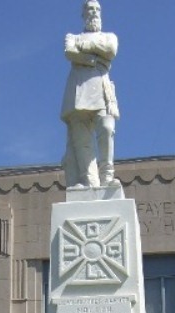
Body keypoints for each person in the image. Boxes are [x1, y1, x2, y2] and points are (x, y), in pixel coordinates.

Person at [61, 0, 121, 189]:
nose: (93, 12)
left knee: (107, 127)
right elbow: (70, 51)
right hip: (78, 91)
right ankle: (89, 182)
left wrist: (84, 48)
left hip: (102, 90)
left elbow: (110, 50)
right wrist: (95, 58)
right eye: (89, 9)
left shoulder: (109, 36)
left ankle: (107, 177)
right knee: (82, 141)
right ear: (83, 14)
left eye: (97, 9)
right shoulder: (72, 36)